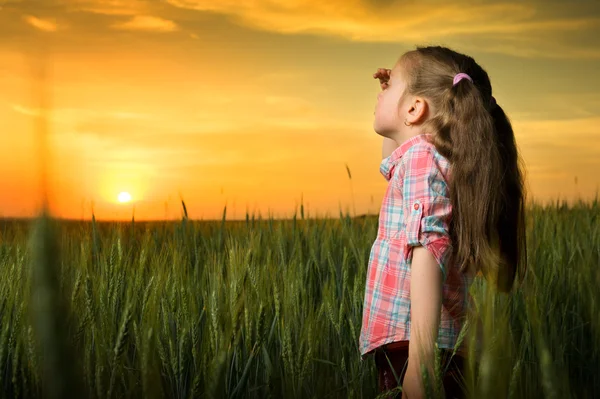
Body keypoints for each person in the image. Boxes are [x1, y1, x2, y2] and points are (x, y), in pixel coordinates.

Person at [359, 46, 527, 398]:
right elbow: (392, 165)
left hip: (414, 346)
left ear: (415, 108)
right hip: (439, 345)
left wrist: (420, 366)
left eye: (391, 88)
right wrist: (396, 98)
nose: (382, 92)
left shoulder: (422, 158)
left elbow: (428, 251)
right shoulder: (432, 159)